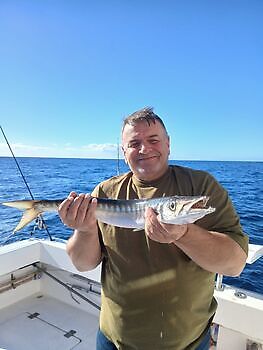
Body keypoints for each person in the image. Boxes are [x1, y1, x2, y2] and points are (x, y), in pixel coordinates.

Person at [58, 107, 248, 350]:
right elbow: (82, 264)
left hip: (188, 343)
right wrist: (84, 230)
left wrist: (184, 234)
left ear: (168, 144)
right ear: (124, 152)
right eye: (134, 143)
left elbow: (234, 265)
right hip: (113, 340)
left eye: (153, 140)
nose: (144, 149)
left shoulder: (202, 186)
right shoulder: (105, 192)